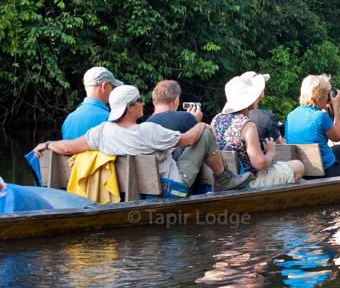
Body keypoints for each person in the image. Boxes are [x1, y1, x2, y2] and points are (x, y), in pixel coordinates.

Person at [34, 85, 252, 194]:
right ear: (129, 107)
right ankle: (224, 178)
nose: (142, 104)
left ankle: (224, 177)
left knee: (171, 151)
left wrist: (47, 144)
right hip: (172, 190)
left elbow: (68, 146)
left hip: (135, 188)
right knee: (203, 135)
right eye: (138, 101)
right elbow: (188, 139)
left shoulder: (100, 132)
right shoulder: (148, 130)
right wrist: (203, 124)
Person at [212, 72, 304, 187]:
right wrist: (270, 152)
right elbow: (260, 164)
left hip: (224, 180)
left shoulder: (216, 119)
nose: (261, 96)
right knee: (298, 166)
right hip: (248, 181)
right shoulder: (247, 125)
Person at [61, 67, 124, 140]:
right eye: (112, 87)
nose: (112, 91)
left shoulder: (69, 119)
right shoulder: (109, 119)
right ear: (104, 86)